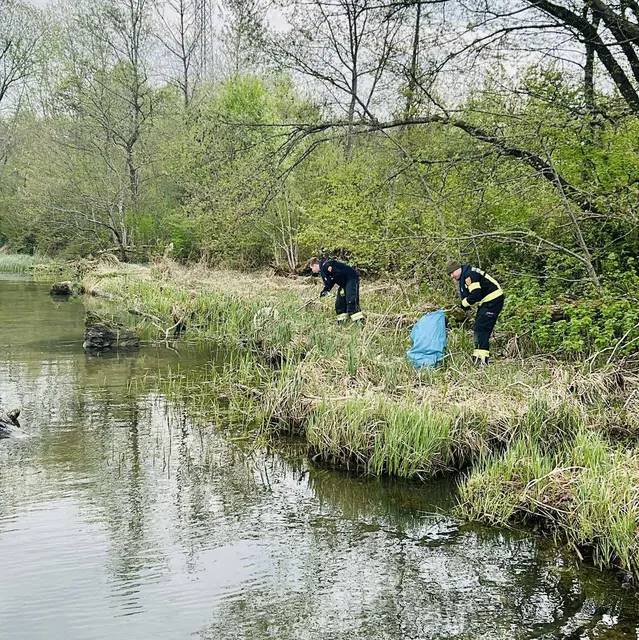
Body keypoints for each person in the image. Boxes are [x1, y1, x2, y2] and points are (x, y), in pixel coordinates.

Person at [446, 259, 504, 365]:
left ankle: (482, 360)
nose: (452, 276)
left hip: (492, 301)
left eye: (452, 273)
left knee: (482, 330)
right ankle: (477, 358)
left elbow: (475, 295)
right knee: (478, 328)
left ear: (457, 268)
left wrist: (463, 304)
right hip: (488, 301)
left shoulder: (469, 275)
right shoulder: (468, 273)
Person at [308, 257, 364, 324]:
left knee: (350, 300)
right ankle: (342, 323)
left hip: (350, 279)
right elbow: (330, 282)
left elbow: (337, 274)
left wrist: (345, 287)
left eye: (312, 268)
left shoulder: (326, 266)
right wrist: (325, 290)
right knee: (340, 304)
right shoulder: (323, 269)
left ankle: (359, 323)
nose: (312, 271)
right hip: (344, 283)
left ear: (314, 265)